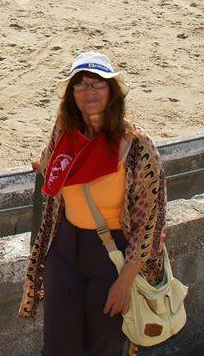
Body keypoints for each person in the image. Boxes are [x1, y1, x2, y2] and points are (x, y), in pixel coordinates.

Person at [19, 52, 168, 356]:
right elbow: (51, 166)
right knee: (59, 346)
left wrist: (126, 281)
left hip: (111, 257)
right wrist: (40, 164)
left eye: (98, 84)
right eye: (81, 85)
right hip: (64, 249)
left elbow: (148, 222)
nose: (89, 92)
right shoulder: (64, 132)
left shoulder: (137, 145)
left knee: (104, 346)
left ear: (112, 92)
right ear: (71, 95)